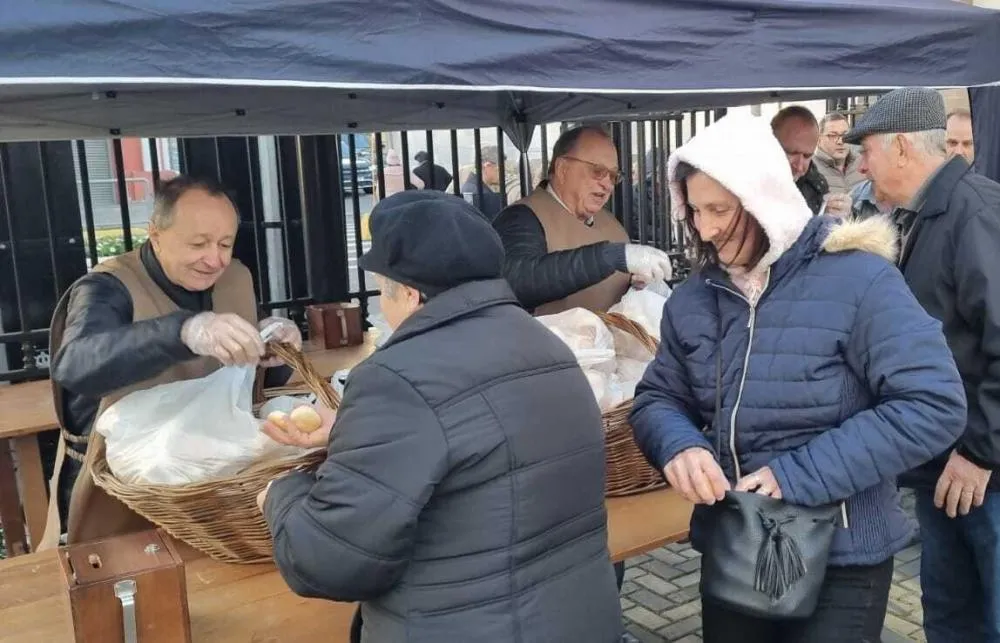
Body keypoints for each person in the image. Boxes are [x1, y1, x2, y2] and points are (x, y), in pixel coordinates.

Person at [629, 112, 967, 643]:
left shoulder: (860, 279)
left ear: (764, 201)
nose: (705, 228)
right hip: (736, 544)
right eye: (693, 210)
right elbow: (657, 397)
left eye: (720, 209)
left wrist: (796, 476)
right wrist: (678, 446)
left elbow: (932, 403)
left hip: (841, 555)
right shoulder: (694, 299)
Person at [258, 191, 623, 643]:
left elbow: (330, 560)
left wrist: (280, 494)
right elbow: (485, 461)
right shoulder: (549, 348)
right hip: (580, 622)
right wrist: (353, 436)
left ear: (408, 294)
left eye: (381, 293)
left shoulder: (397, 378)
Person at [48, 174, 301, 543]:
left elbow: (254, 386)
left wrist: (276, 350)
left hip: (225, 489)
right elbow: (76, 365)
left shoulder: (236, 279)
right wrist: (183, 332)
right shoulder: (108, 286)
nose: (214, 259)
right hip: (129, 493)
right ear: (155, 234)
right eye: (198, 243)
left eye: (225, 244)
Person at [845, 87, 1000, 643]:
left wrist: (981, 453)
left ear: (903, 147)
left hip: (984, 472)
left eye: (868, 151)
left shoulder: (976, 214)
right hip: (944, 466)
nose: (862, 166)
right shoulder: (927, 214)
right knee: (952, 614)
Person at [492, 124, 674, 315]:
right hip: (547, 344)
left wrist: (636, 284)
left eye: (613, 176)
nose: (607, 184)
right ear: (562, 169)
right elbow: (518, 282)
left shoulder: (610, 221)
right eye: (597, 171)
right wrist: (610, 257)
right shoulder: (521, 218)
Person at [771, 106, 851, 218]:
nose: (799, 167)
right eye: (792, 153)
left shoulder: (816, 184)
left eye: (807, 156)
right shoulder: (748, 186)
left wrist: (827, 215)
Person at [813, 112, 864, 194]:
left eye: (845, 135)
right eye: (832, 136)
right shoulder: (809, 168)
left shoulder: (863, 163)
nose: (840, 141)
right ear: (819, 139)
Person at [460, 144, 504, 219]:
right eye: (500, 168)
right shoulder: (480, 194)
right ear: (488, 166)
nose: (503, 172)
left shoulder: (470, 188)